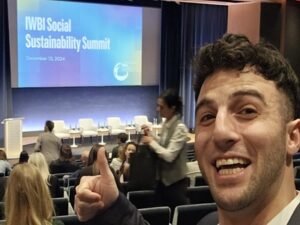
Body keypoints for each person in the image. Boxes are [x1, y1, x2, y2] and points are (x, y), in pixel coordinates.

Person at [74, 33, 300, 225]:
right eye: (208, 116)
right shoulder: (208, 221)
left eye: (247, 111)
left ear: (292, 136)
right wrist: (110, 207)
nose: (220, 131)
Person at [141, 88, 189, 212]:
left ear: (172, 108)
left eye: (161, 107)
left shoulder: (180, 128)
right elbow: (163, 145)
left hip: (175, 184)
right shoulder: (166, 124)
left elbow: (169, 155)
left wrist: (151, 142)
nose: (158, 110)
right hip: (162, 181)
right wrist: (150, 135)